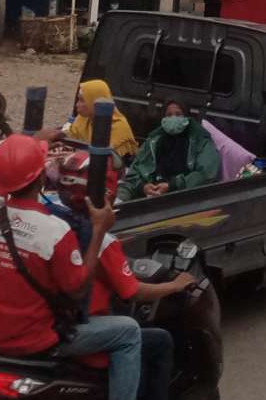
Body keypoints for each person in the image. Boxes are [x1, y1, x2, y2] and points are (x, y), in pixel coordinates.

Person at [0, 135, 144, 400]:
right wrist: (99, 229)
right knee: (129, 331)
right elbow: (77, 289)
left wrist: (31, 142)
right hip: (36, 342)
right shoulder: (55, 232)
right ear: (41, 178)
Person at [54, 151, 193, 400]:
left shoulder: (53, 221)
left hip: (46, 321)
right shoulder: (102, 241)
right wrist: (174, 286)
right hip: (78, 328)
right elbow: (133, 291)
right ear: (106, 191)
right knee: (157, 340)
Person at [118, 102, 220, 202]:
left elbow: (206, 175)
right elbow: (133, 174)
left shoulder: (200, 141)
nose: (173, 118)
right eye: (169, 115)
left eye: (178, 114)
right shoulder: (153, 141)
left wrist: (172, 185)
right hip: (151, 199)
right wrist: (143, 187)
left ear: (187, 117)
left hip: (186, 201)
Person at [60, 79, 140, 160]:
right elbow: (70, 138)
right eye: (78, 99)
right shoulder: (83, 119)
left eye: (82, 100)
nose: (77, 104)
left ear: (94, 102)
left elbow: (107, 159)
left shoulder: (119, 127)